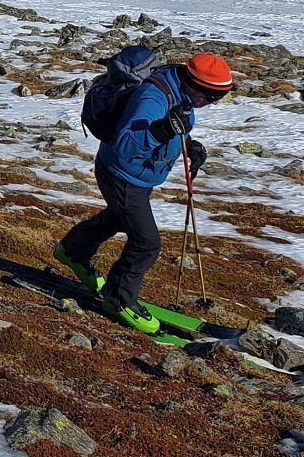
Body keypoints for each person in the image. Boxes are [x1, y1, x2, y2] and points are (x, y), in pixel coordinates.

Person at [52, 52, 233, 333]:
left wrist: (189, 144)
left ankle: (73, 250)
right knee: (146, 244)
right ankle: (119, 300)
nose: (214, 103)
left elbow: (177, 122)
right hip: (122, 176)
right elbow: (127, 144)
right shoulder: (153, 97)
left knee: (117, 217)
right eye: (211, 97)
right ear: (196, 86)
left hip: (138, 176)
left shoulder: (181, 90)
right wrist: (162, 131)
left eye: (219, 96)